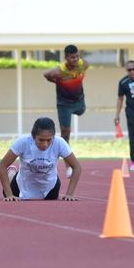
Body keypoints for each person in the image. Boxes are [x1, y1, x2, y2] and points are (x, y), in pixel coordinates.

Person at [0, 117, 81, 201]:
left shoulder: (59, 143)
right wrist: (9, 195)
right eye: (41, 140)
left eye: (49, 140)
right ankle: (11, 173)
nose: (45, 144)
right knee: (8, 196)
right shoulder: (23, 142)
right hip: (23, 184)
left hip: (49, 187)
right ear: (33, 137)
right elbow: (2, 166)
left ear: (53, 137)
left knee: (51, 199)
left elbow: (77, 167)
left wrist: (69, 194)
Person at [43, 45, 90, 179]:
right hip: (64, 104)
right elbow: (46, 74)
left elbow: (87, 64)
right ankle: (68, 165)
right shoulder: (60, 71)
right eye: (72, 58)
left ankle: (79, 109)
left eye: (77, 56)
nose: (75, 60)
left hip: (79, 101)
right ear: (66, 58)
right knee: (65, 133)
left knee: (81, 111)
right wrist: (58, 82)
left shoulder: (82, 65)